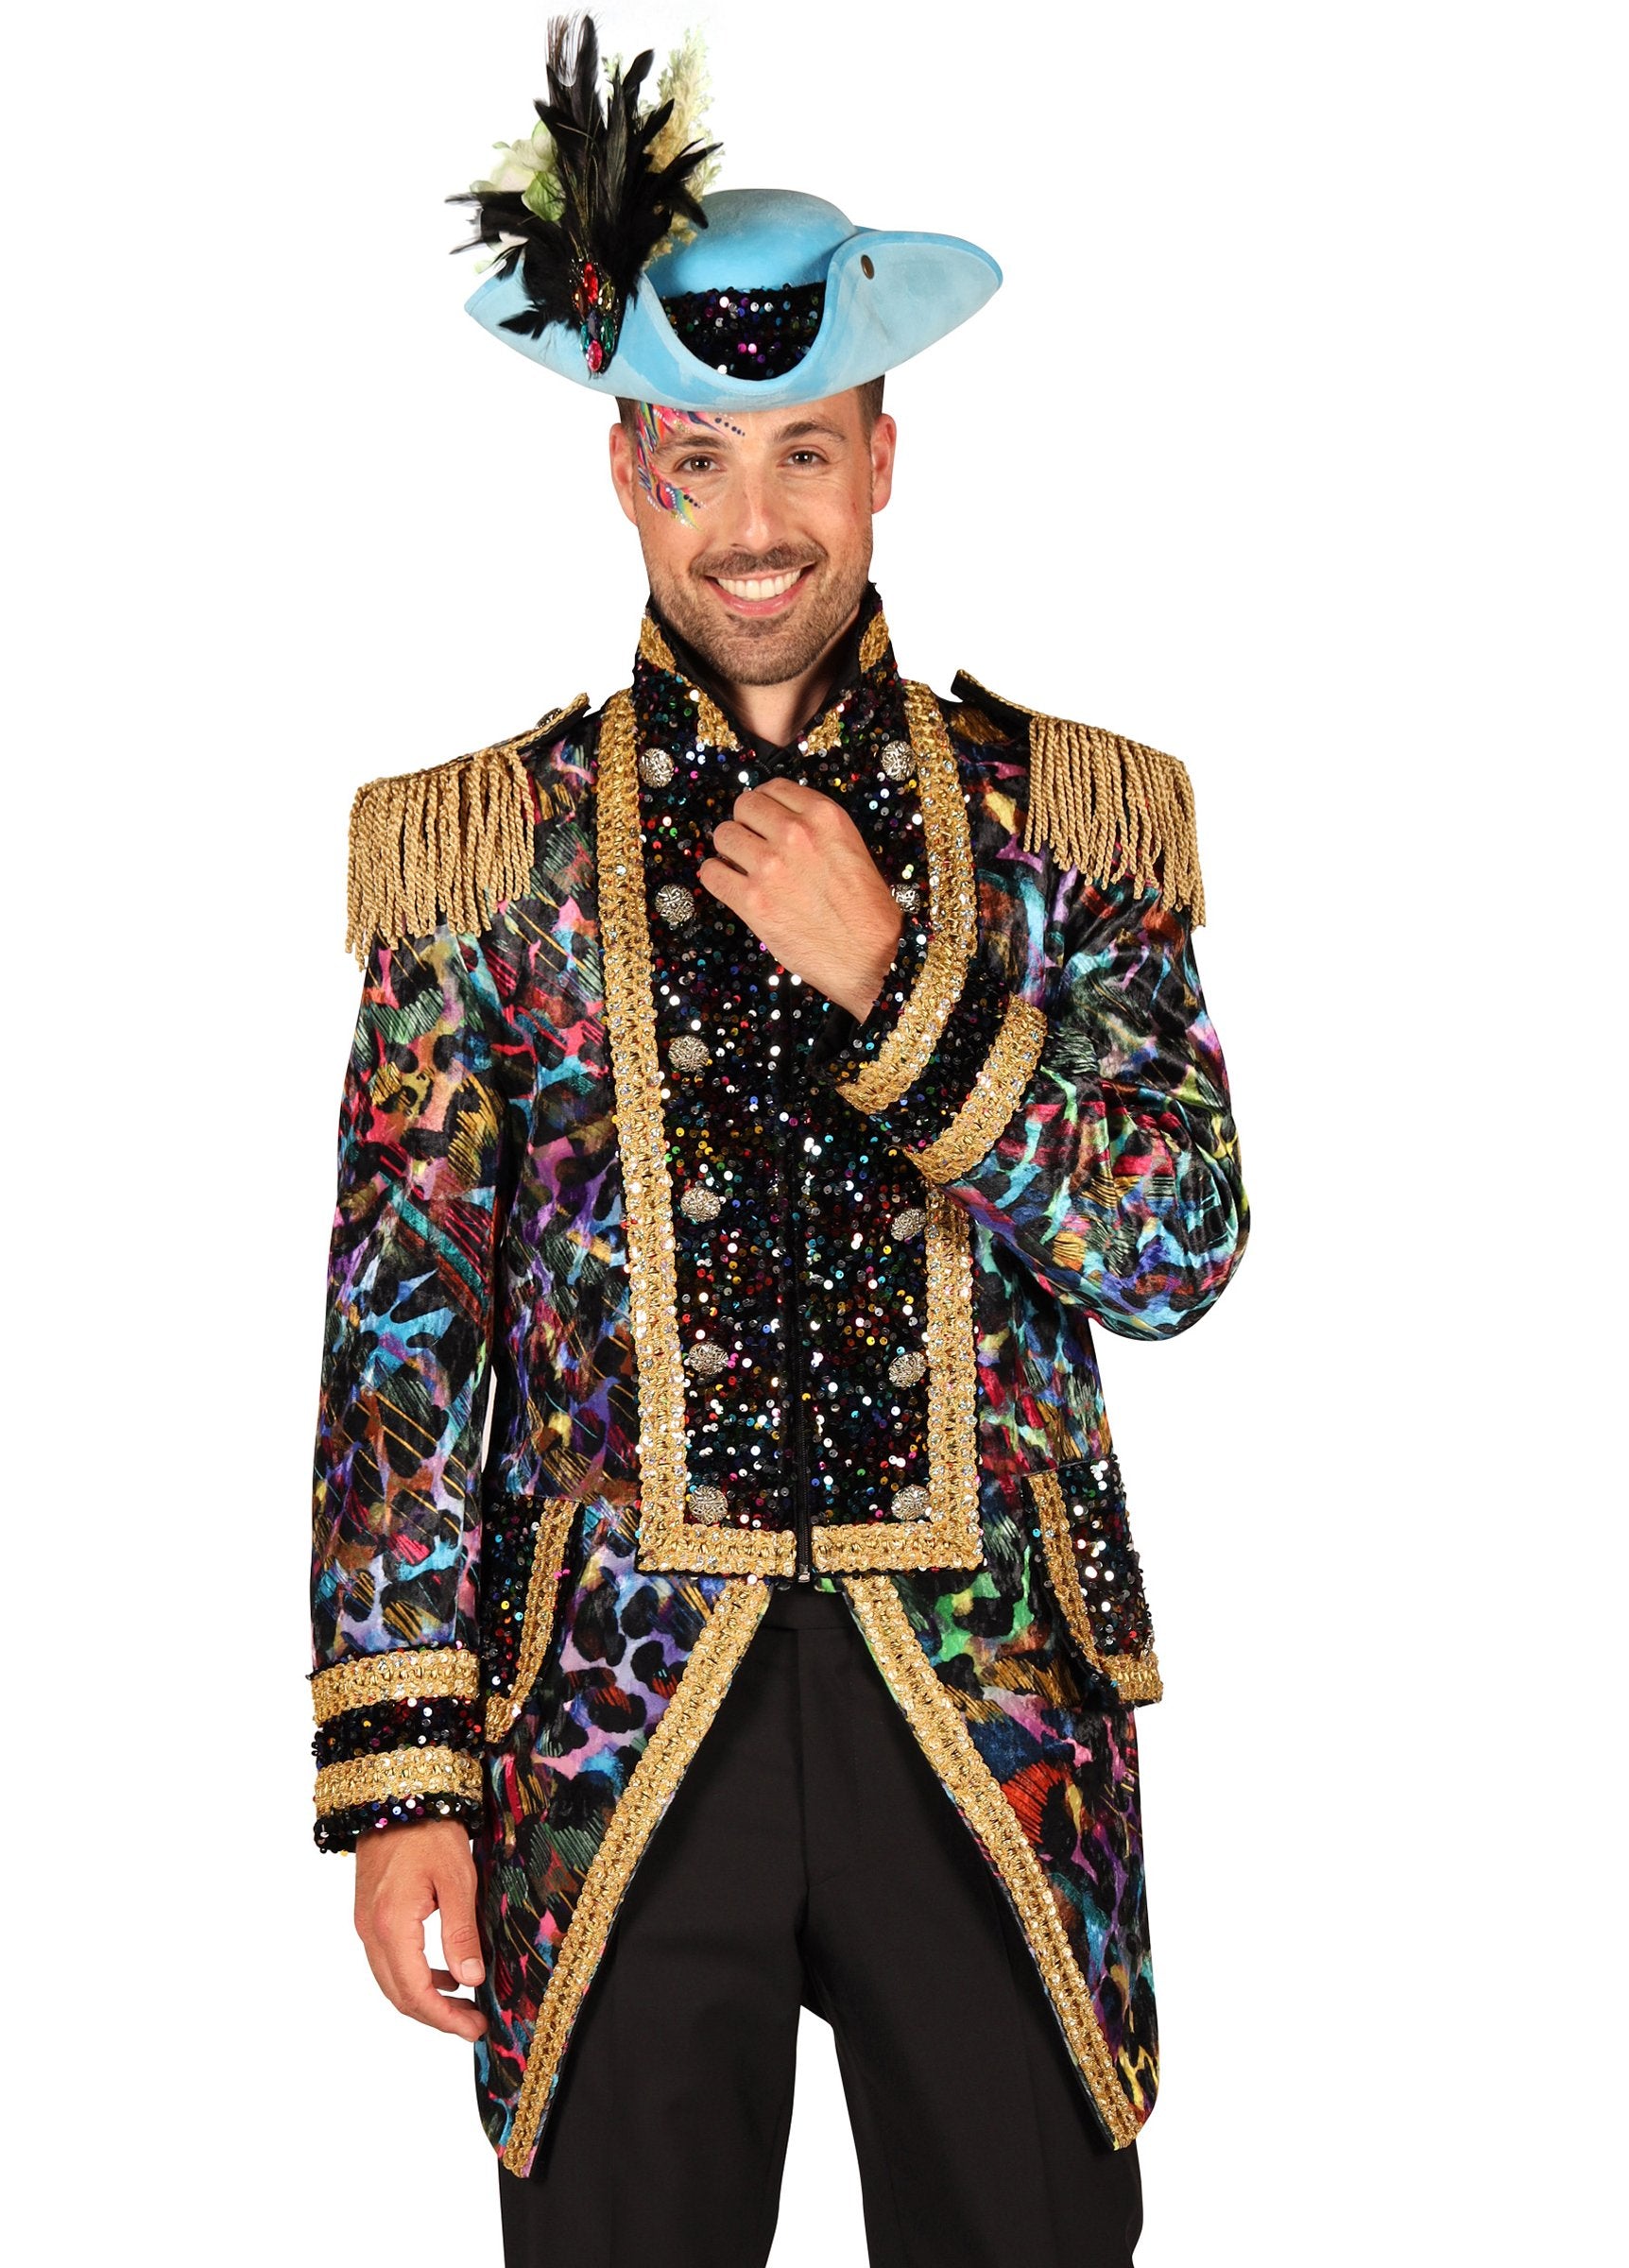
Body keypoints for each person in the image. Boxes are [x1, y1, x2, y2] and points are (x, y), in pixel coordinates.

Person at [307, 21, 1249, 2266]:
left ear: (882, 459)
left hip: (988, 1701)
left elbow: (1182, 1245)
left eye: (804, 454)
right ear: (625, 470)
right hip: (610, 1726)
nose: (754, 526)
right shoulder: (487, 853)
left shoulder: (1065, 821)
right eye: (701, 460)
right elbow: (403, 1347)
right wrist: (401, 1779)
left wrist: (898, 990)